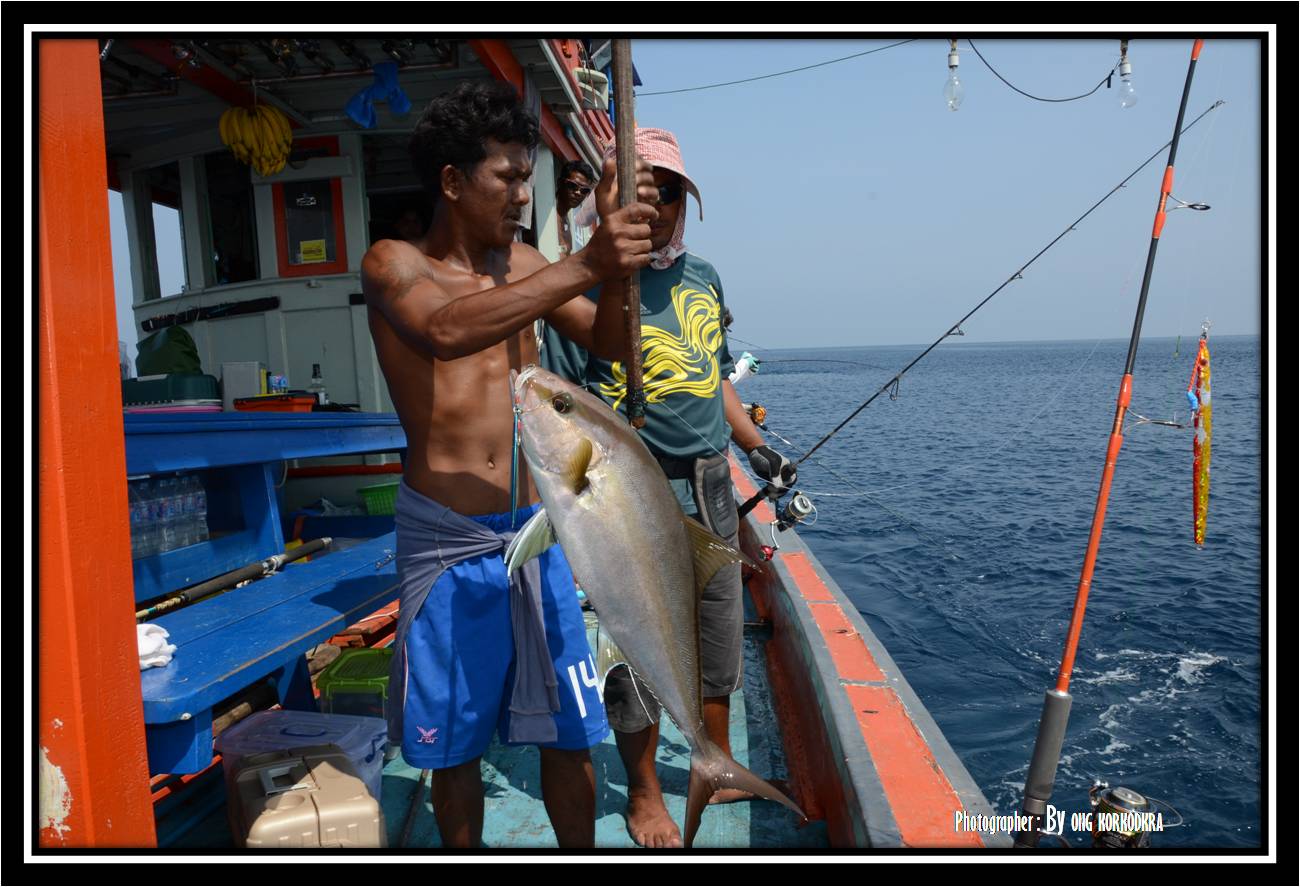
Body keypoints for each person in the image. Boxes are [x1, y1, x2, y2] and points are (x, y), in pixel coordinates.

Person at [361, 80, 659, 849]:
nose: (524, 195)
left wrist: (625, 261)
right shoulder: (394, 263)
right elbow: (447, 330)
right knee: (454, 750)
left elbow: (608, 342)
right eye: (508, 177)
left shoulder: (525, 261)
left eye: (529, 176)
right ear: (454, 182)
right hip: (447, 541)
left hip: (537, 527)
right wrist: (586, 259)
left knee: (571, 730)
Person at [544, 127, 798, 848]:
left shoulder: (704, 277)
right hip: (634, 496)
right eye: (641, 190)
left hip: (712, 483)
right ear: (612, 197)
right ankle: (648, 791)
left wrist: (760, 448)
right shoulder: (585, 283)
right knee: (637, 648)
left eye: (670, 191)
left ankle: (713, 765)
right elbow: (563, 404)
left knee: (715, 646)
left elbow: (712, 378)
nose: (657, 207)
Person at [555, 158, 595, 257]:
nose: (578, 192)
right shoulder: (546, 218)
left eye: (584, 191)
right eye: (572, 185)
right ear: (560, 183)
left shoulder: (569, 222)